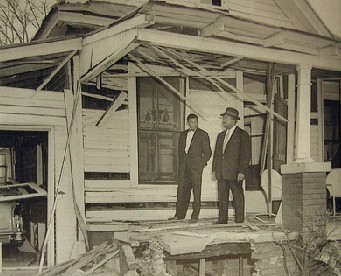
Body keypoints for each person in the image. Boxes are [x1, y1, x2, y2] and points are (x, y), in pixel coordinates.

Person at [169, 113, 212, 223]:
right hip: (184, 168)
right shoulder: (183, 135)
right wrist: (181, 166)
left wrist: (201, 164)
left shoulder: (203, 134)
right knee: (182, 190)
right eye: (191, 122)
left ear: (197, 122)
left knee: (196, 192)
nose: (193, 124)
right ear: (188, 123)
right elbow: (180, 152)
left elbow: (208, 152)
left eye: (195, 122)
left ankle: (195, 216)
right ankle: (179, 215)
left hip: (196, 168)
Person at [212, 107, 251, 224]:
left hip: (235, 172)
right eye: (223, 118)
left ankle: (239, 220)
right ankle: (222, 219)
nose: (223, 120)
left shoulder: (242, 135)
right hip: (222, 172)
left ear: (234, 120)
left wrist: (242, 171)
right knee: (222, 196)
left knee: (237, 196)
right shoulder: (220, 135)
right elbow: (217, 155)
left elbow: (245, 155)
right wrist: (215, 170)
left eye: (226, 118)